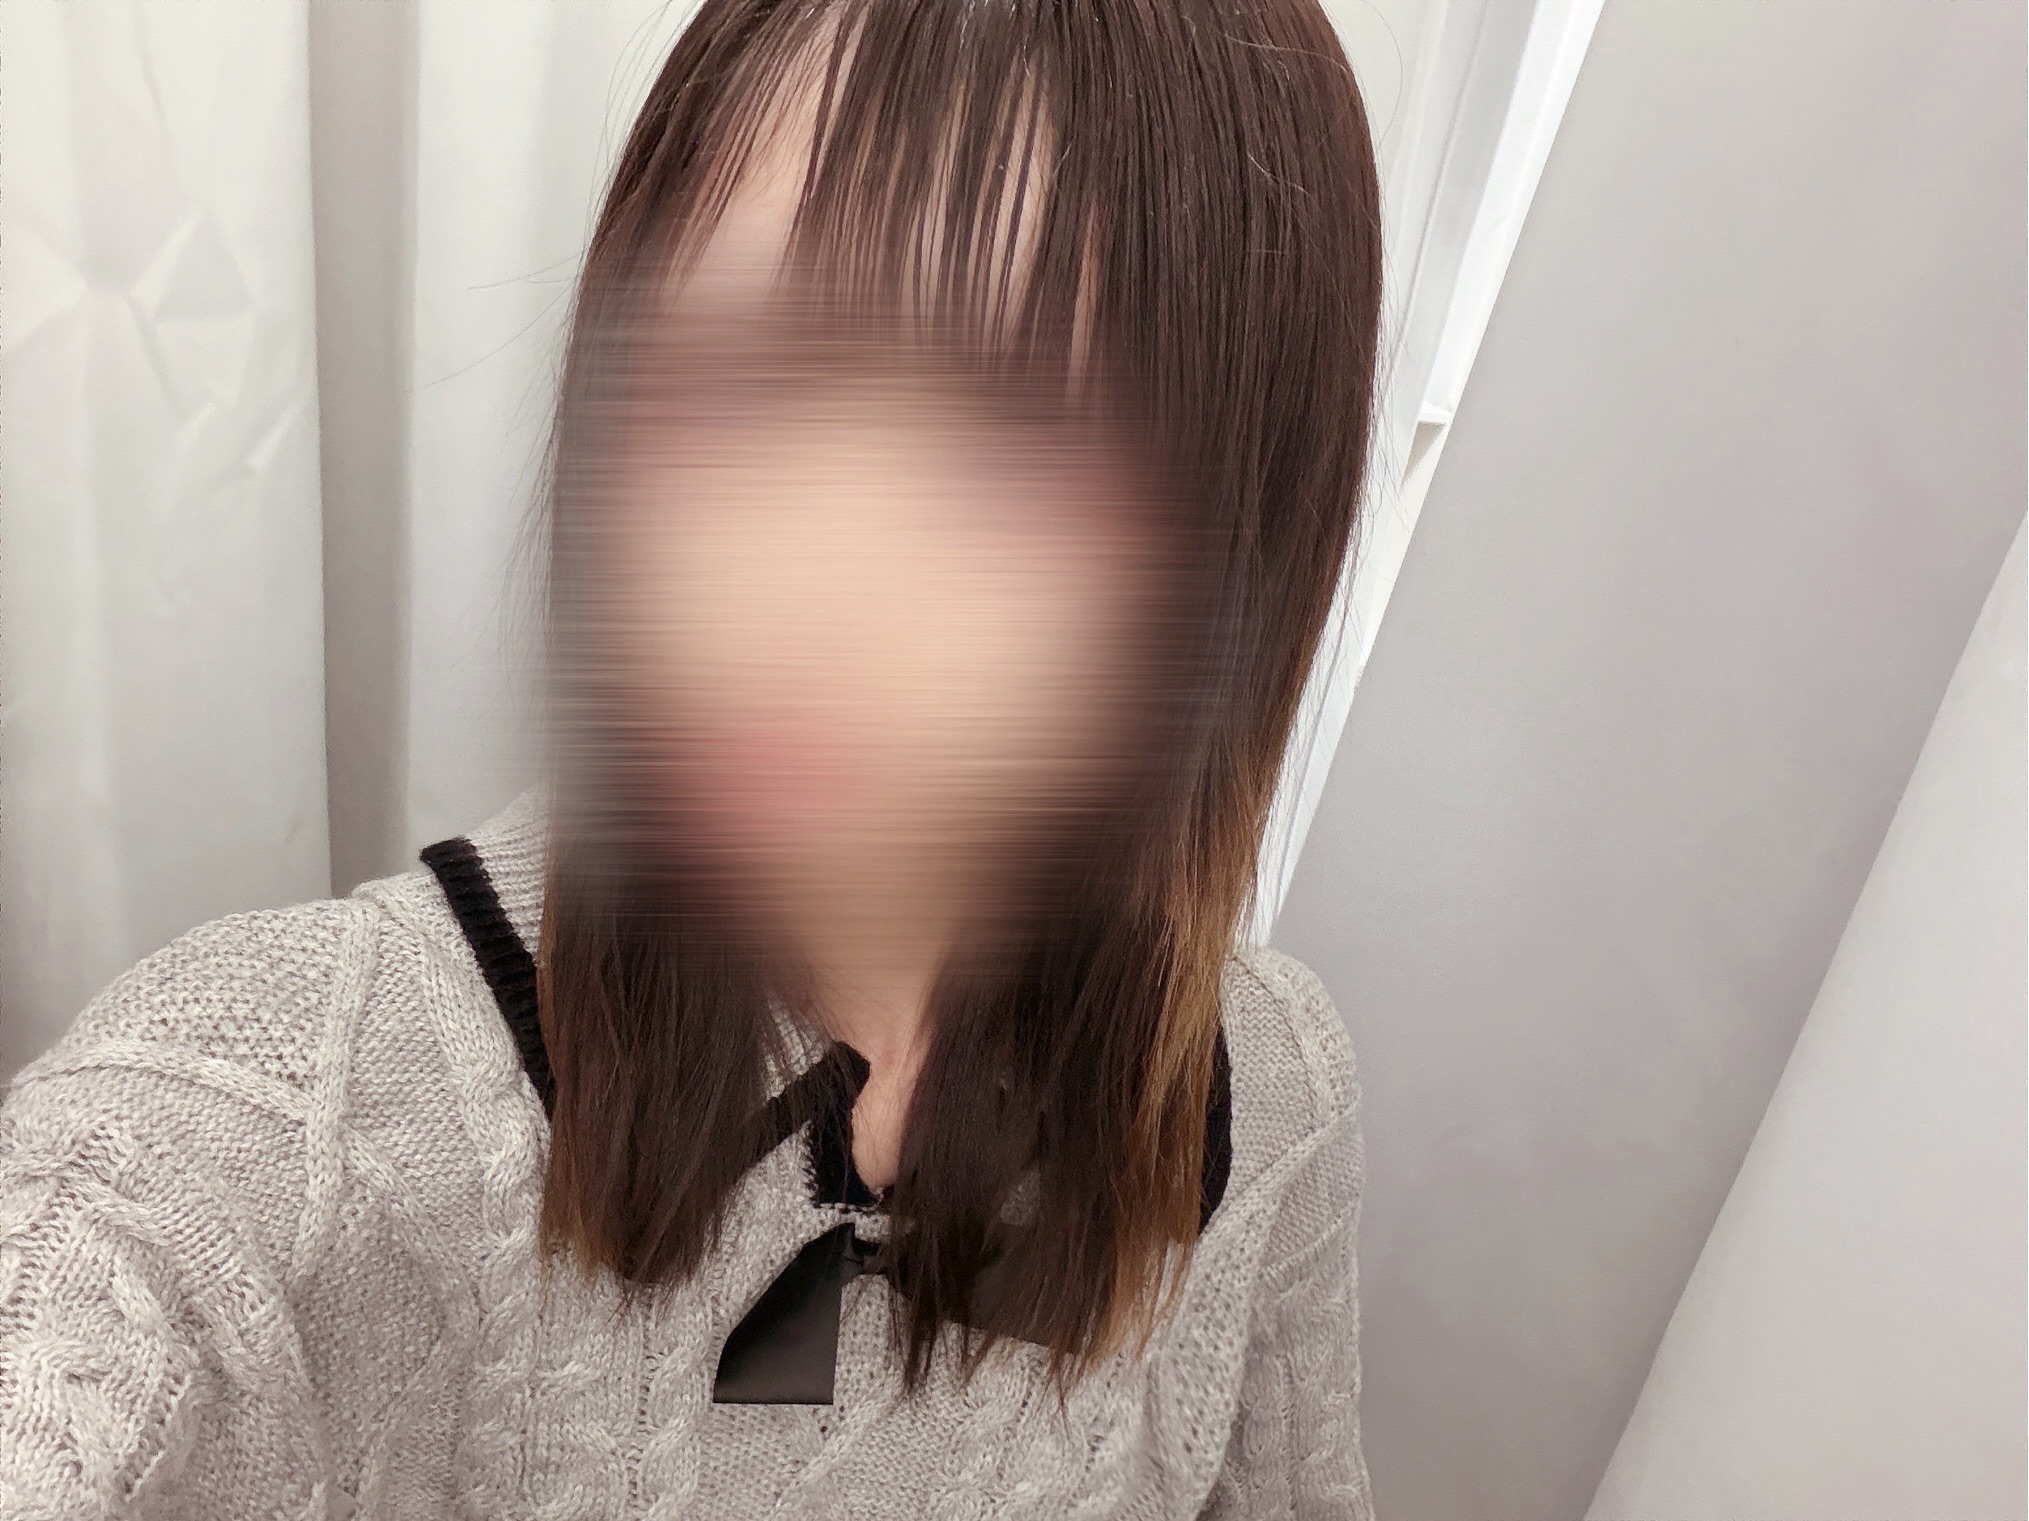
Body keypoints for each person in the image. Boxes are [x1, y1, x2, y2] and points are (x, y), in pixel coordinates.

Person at [0, 1, 1385, 1515]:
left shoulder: (1267, 1088)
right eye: (740, 377)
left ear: (1236, 557)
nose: (801, 583)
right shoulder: (279, 1117)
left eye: (1022, 450)